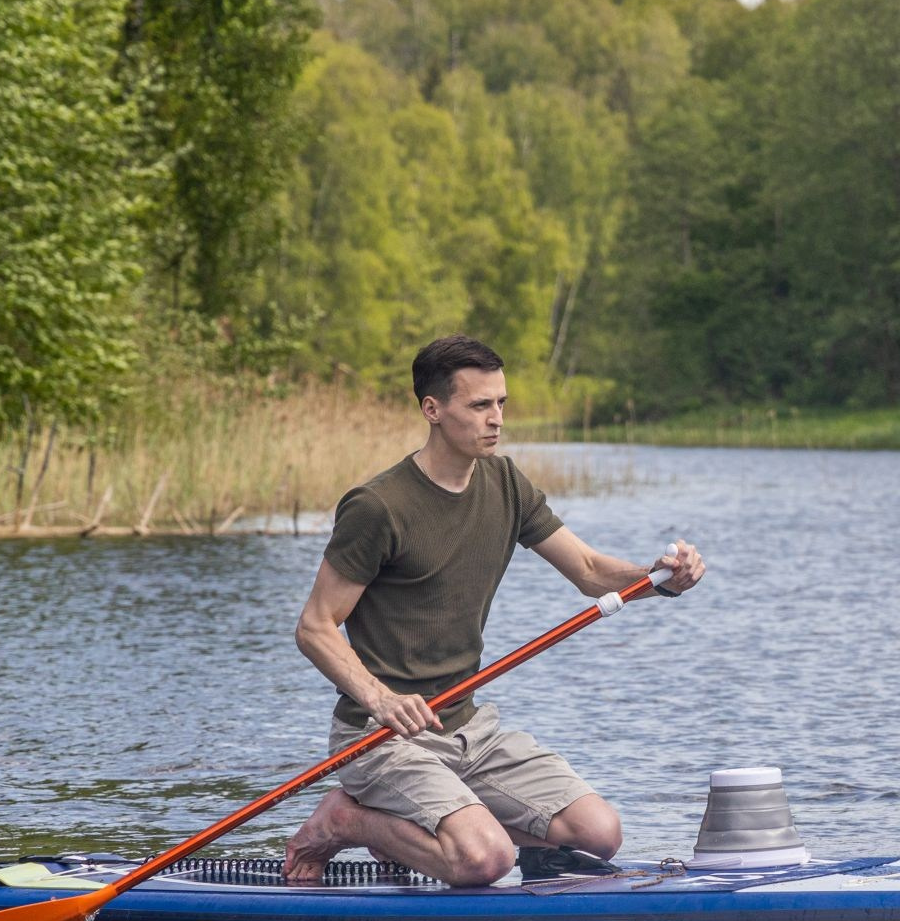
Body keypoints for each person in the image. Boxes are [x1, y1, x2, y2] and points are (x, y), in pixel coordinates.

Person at [283, 334, 702, 886]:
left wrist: (660, 579)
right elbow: (315, 627)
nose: (496, 419)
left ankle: (426, 825)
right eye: (479, 405)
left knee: (598, 834)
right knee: (485, 861)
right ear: (432, 410)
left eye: (501, 403)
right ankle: (346, 819)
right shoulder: (378, 507)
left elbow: (589, 571)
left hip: (468, 729)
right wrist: (381, 699)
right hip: (379, 736)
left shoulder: (506, 483)